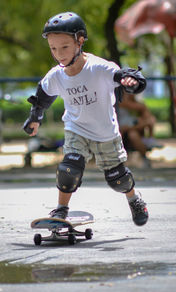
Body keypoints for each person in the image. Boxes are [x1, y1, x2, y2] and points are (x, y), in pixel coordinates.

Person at [23, 12, 148, 226]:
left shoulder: (99, 68)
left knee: (117, 179)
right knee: (68, 170)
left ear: (80, 41)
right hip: (76, 128)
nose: (59, 54)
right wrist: (35, 117)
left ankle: (134, 200)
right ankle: (61, 210)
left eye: (64, 47)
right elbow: (42, 96)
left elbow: (126, 76)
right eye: (53, 49)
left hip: (105, 132)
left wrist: (131, 81)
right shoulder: (56, 75)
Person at [118, 92, 161, 167]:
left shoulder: (136, 103)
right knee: (133, 134)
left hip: (133, 130)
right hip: (121, 133)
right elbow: (123, 128)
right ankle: (149, 141)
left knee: (133, 133)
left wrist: (143, 121)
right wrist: (144, 122)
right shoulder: (120, 102)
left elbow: (149, 118)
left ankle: (150, 139)